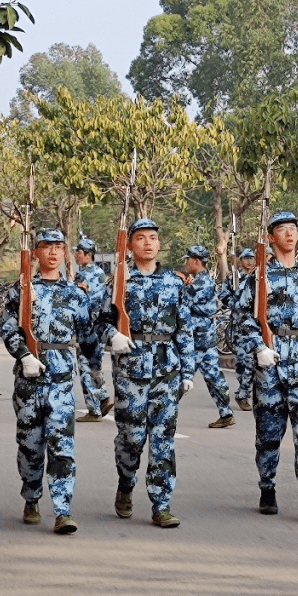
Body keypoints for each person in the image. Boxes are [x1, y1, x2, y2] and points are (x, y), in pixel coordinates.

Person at [96, 218, 194, 529]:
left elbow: (185, 329)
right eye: (141, 238)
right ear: (130, 245)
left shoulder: (174, 283)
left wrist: (188, 370)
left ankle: (161, 504)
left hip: (167, 367)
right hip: (131, 369)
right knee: (132, 438)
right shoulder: (119, 282)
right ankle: (126, 483)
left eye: (153, 237)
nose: (148, 243)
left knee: (163, 439)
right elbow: (98, 322)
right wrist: (112, 335)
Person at [239, 211, 298, 523]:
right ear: (271, 238)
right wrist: (259, 347)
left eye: (293, 229)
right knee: (268, 433)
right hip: (270, 358)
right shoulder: (257, 277)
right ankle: (267, 486)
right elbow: (242, 318)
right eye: (283, 230)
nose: (290, 235)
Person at [1, 228, 96, 534]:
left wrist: (97, 373)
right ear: (36, 253)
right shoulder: (21, 291)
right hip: (29, 380)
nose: (53, 252)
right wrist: (23, 354)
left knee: (62, 445)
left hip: (62, 381)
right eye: (47, 246)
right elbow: (7, 328)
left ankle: (62, 509)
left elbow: (88, 334)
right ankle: (31, 496)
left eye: (59, 246)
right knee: (30, 446)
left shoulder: (75, 294)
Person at [182, 245, 235, 428]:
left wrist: (182, 286)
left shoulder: (199, 284)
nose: (186, 263)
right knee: (213, 375)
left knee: (182, 374)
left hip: (197, 336)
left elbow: (183, 304)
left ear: (196, 261)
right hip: (207, 334)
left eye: (188, 259)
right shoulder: (203, 281)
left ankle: (163, 413)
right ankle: (226, 412)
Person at [73, 237, 114, 422]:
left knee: (84, 365)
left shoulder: (84, 275)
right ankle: (102, 396)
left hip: (87, 325)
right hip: (99, 324)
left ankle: (95, 408)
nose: (76, 256)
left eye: (79, 253)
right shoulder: (100, 273)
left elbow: (83, 302)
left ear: (87, 255)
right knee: (94, 363)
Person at [218, 247, 257, 412]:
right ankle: (242, 394)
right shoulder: (234, 279)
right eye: (246, 258)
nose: (249, 261)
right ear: (240, 260)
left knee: (261, 364)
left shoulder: (260, 278)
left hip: (258, 326)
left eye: (252, 258)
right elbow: (224, 297)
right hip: (240, 327)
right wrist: (237, 302)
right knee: (245, 362)